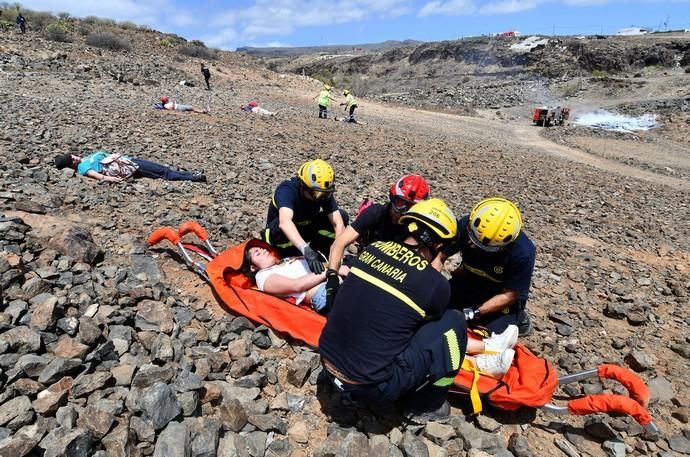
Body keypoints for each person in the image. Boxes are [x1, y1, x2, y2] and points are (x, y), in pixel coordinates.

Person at [319, 199, 518, 421]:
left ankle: (485, 348)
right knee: (453, 322)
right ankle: (427, 403)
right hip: (371, 388)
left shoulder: (372, 250)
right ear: (438, 245)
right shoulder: (434, 283)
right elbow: (429, 326)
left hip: (327, 364)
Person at [433, 198, 536, 336]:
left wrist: (473, 313)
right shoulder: (466, 225)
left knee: (484, 335)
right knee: (433, 307)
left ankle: (519, 318)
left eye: (490, 249)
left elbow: (510, 295)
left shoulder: (522, 253)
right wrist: (430, 283)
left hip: (499, 295)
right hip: (469, 281)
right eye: (475, 242)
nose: (479, 249)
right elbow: (440, 256)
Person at [325, 174, 430, 309]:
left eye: (410, 208)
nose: (401, 212)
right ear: (392, 197)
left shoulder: (418, 230)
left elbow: (426, 269)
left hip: (395, 276)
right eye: (399, 204)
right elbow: (340, 242)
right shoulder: (376, 213)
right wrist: (332, 275)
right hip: (365, 264)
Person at [262, 159, 348, 274]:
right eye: (316, 194)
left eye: (326, 194)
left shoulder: (322, 193)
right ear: (303, 185)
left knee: (343, 216)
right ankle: (290, 256)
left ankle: (321, 255)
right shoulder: (287, 190)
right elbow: (285, 222)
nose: (320, 198)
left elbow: (338, 223)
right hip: (282, 236)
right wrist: (306, 250)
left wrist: (337, 251)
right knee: (278, 227)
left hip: (304, 229)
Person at [243, 244, 349, 314]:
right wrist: (333, 270)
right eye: (257, 253)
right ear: (253, 267)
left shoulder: (285, 261)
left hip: (339, 279)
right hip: (325, 293)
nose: (264, 250)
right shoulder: (263, 276)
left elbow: (320, 266)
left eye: (262, 248)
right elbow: (297, 285)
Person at [54, 151, 206, 182]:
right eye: (72, 158)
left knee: (161, 169)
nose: (75, 157)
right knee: (163, 173)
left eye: (72, 155)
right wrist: (111, 179)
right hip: (130, 167)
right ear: (71, 164)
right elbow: (96, 175)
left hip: (128, 161)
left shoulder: (85, 159)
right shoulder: (82, 168)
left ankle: (190, 175)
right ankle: (193, 177)